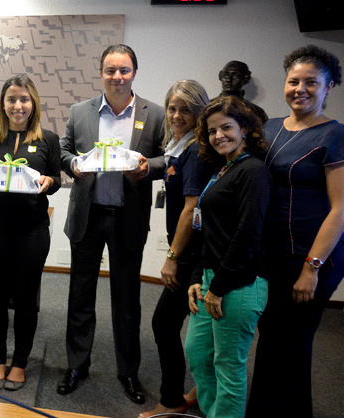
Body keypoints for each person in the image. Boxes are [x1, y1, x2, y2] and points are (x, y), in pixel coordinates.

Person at [246, 46, 344, 418]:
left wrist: (312, 267)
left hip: (313, 256)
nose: (301, 89)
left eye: (312, 82)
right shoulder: (271, 127)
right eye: (294, 81)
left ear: (329, 87)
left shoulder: (337, 135)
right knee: (272, 338)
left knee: (293, 342)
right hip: (273, 254)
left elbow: (342, 209)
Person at [58, 44, 165, 404]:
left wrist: (147, 168)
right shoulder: (80, 111)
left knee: (127, 299)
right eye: (110, 70)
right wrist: (72, 164)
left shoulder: (155, 114)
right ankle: (76, 365)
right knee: (80, 295)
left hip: (127, 219)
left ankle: (128, 372)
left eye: (124, 70)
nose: (117, 77)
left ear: (134, 72)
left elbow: (169, 156)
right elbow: (64, 149)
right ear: (101, 72)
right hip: (88, 216)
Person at [0, 75, 60, 391]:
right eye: (11, 99)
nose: (18, 105)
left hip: (31, 231)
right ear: (3, 104)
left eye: (23, 99)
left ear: (32, 102)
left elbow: (56, 179)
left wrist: (49, 182)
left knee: (25, 299)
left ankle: (19, 362)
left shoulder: (48, 138)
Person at [185, 96, 270, 418]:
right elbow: (211, 232)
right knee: (198, 354)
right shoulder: (224, 169)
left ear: (245, 129)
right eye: (212, 130)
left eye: (227, 128)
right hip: (212, 278)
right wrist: (197, 277)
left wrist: (218, 287)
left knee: (228, 366)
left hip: (240, 283)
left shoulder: (253, 171)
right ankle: (213, 412)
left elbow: (248, 234)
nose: (219, 135)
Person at [139, 80, 212, 418]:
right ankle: (202, 389)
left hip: (191, 256)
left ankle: (171, 401)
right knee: (203, 328)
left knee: (163, 324)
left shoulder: (196, 150)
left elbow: (190, 207)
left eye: (186, 109)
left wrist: (172, 258)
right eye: (172, 108)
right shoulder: (178, 146)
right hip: (188, 252)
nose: (177, 115)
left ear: (200, 111)